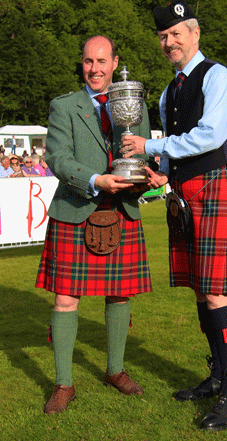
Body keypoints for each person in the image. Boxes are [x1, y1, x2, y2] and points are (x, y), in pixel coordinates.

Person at [121, 0, 227, 431]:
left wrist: (152, 148)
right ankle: (216, 375)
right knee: (201, 290)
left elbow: (211, 134)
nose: (169, 42)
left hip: (215, 188)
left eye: (177, 34)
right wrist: (153, 172)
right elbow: (174, 149)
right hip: (183, 194)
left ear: (195, 34)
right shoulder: (169, 91)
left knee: (217, 291)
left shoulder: (218, 77)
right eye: (163, 37)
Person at [35, 35, 157, 415]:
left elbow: (144, 148)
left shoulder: (134, 103)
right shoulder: (63, 106)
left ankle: (115, 370)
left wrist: (149, 174)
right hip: (77, 207)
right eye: (89, 61)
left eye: (102, 61)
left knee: (120, 294)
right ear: (82, 63)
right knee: (65, 298)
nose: (95, 69)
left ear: (114, 61)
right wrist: (95, 179)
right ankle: (63, 383)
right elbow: (57, 157)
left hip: (121, 209)